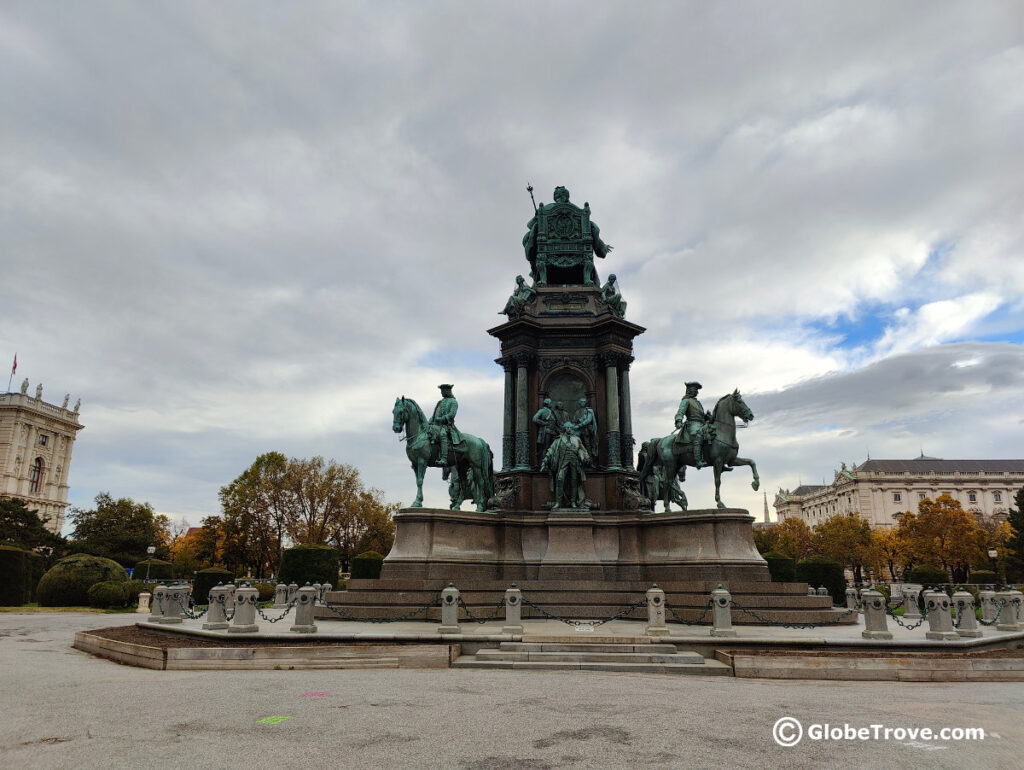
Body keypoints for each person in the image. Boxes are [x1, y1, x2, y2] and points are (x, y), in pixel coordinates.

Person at [541, 423, 590, 509]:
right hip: (563, 462)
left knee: (574, 481)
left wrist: (586, 457)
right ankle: (558, 502)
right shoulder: (559, 439)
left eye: (571, 427)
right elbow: (551, 449)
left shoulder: (577, 439)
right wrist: (545, 459)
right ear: (565, 428)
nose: (570, 429)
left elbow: (583, 450)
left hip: (574, 462)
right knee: (560, 478)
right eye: (568, 427)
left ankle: (573, 502)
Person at [674, 381, 708, 468]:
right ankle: (698, 460)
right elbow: (680, 412)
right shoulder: (686, 401)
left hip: (703, 424)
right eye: (695, 389)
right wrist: (678, 420)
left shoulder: (697, 402)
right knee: (698, 435)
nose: (696, 391)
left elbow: (701, 415)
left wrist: (708, 417)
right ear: (689, 390)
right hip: (693, 424)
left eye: (697, 390)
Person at [429, 384, 462, 468]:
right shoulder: (440, 402)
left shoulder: (453, 402)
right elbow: (435, 414)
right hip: (435, 425)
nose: (441, 393)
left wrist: (442, 419)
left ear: (447, 391)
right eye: (441, 391)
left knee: (442, 434)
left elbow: (451, 414)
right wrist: (429, 421)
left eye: (442, 391)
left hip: (447, 426)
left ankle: (444, 458)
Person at [574, 396, 598, 462]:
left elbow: (588, 420)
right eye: (581, 402)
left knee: (587, 445)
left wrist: (579, 425)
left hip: (586, 430)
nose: (583, 403)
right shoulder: (577, 412)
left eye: (584, 402)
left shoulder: (589, 410)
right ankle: (579, 461)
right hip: (578, 432)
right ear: (579, 403)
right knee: (577, 445)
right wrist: (577, 422)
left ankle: (590, 460)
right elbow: (574, 421)